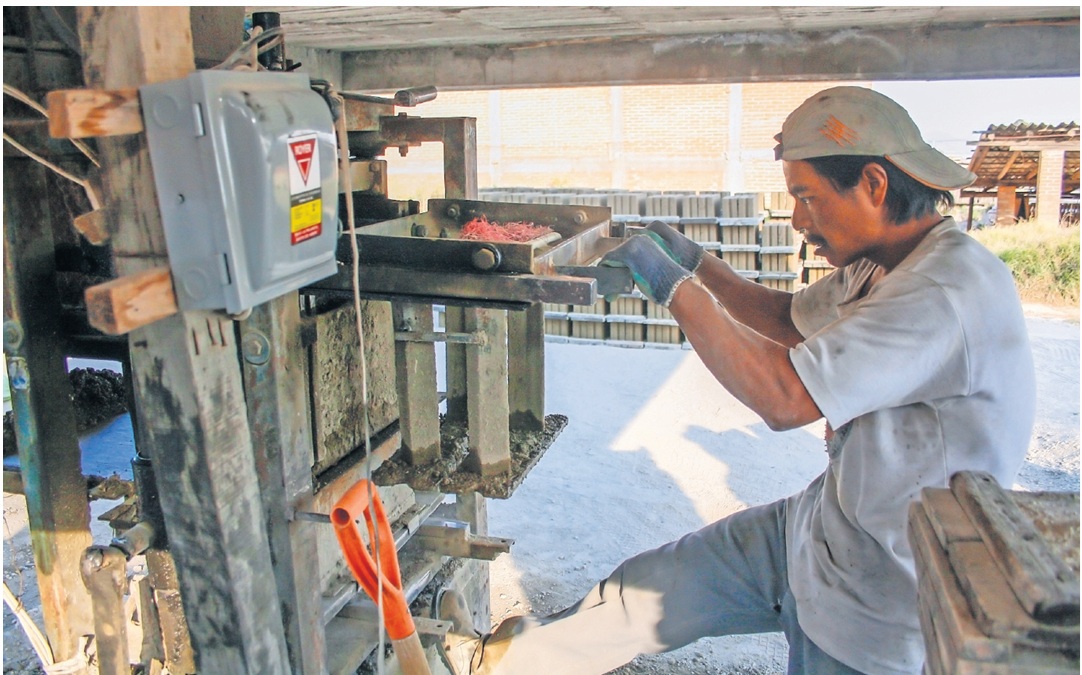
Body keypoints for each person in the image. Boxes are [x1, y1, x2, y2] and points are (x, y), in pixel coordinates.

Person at [440, 86, 1036, 675]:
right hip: (826, 528)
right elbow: (789, 319)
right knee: (641, 595)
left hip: (882, 594)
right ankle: (495, 665)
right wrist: (696, 262)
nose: (799, 219)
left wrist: (673, 288)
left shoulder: (943, 291)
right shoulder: (884, 262)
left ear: (875, 185)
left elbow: (785, 396)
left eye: (807, 197)